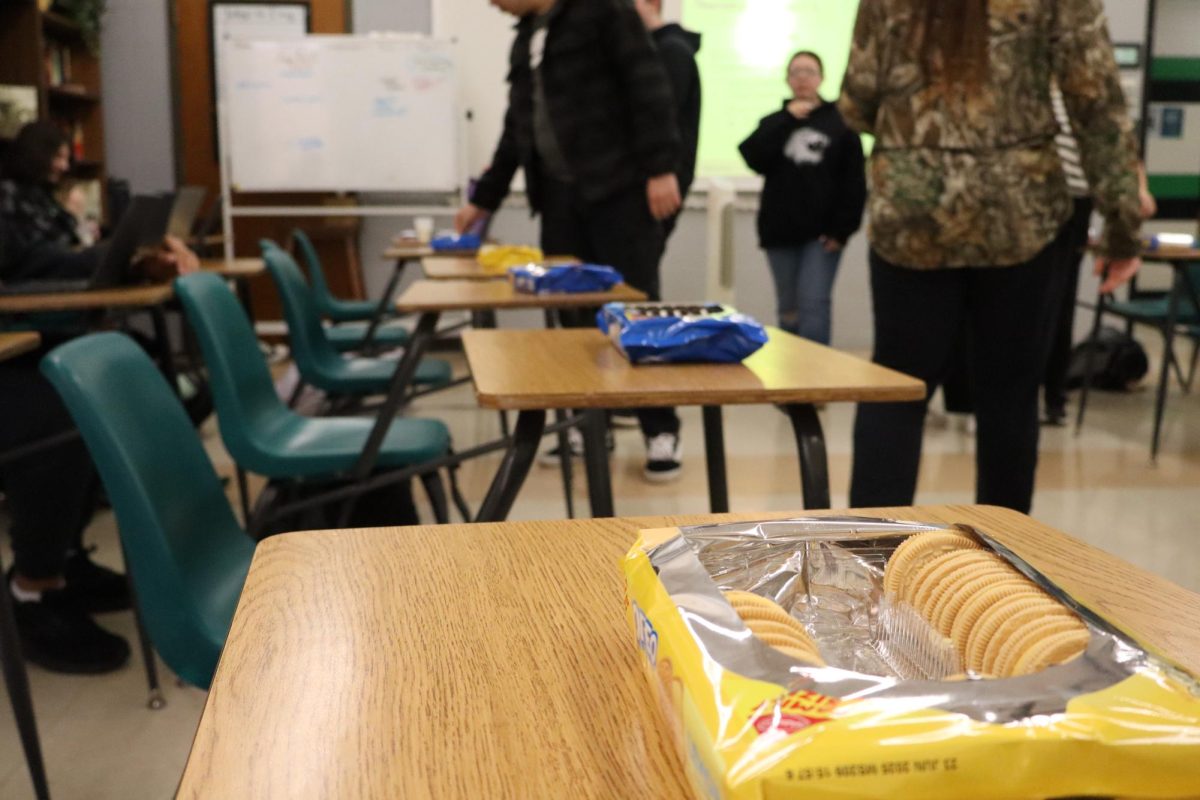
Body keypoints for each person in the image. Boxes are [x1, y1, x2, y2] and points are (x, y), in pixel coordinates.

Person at [840, 0, 1143, 513]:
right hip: (1019, 212)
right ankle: (1005, 565)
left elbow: (857, 100)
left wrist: (918, 138)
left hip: (913, 212)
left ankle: (872, 556)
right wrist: (1122, 226)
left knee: (896, 388)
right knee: (1010, 396)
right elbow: (1096, 104)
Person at [455, 0, 687, 482]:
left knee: (636, 313)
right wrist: (485, 200)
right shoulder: (526, 38)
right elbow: (516, 130)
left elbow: (648, 88)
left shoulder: (605, 12)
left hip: (618, 194)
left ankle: (660, 430)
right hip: (559, 202)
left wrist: (661, 167)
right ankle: (586, 427)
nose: (491, 4)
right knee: (569, 320)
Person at [0, 121, 196, 673]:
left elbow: (30, 269)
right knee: (60, 410)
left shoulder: (29, 199)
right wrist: (100, 267)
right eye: (59, 155)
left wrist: (114, 266)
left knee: (113, 374)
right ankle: (31, 589)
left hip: (19, 340)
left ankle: (64, 557)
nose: (65, 165)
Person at [739, 51, 866, 345]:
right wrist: (786, 118)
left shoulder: (842, 125)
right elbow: (751, 155)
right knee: (789, 310)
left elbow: (854, 183)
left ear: (821, 78)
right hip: (780, 232)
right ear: (787, 79)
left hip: (822, 236)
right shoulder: (776, 122)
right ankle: (790, 383)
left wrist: (842, 231)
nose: (802, 78)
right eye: (795, 72)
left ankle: (815, 384)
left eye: (809, 71)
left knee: (814, 306)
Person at [633, 0, 701, 242]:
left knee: (634, 273)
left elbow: (661, 119)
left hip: (652, 189)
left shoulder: (671, 51)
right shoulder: (651, 51)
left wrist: (658, 171)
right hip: (642, 185)